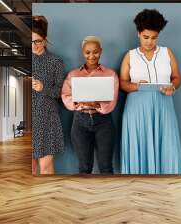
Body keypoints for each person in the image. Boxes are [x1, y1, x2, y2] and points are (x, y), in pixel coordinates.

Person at [120, 9, 181, 174]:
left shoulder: (166, 53)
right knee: (139, 143)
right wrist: (136, 86)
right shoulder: (130, 56)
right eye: (146, 37)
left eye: (154, 37)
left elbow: (177, 77)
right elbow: (122, 83)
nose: (150, 41)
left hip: (163, 103)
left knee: (167, 144)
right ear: (138, 34)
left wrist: (173, 87)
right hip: (137, 108)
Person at [61, 36, 119, 174]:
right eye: (87, 52)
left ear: (101, 51)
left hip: (103, 121)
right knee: (84, 167)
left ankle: (109, 195)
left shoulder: (110, 74)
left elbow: (112, 101)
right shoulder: (73, 74)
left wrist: (97, 104)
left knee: (106, 166)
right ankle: (85, 195)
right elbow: (66, 96)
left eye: (95, 52)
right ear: (83, 52)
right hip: (80, 121)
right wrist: (79, 103)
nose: (92, 56)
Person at [32, 15, 65, 175]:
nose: (34, 45)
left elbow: (60, 92)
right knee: (29, 170)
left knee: (45, 168)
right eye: (31, 41)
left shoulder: (55, 61)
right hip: (30, 120)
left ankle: (48, 199)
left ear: (45, 40)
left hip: (47, 119)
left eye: (37, 41)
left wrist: (43, 88)